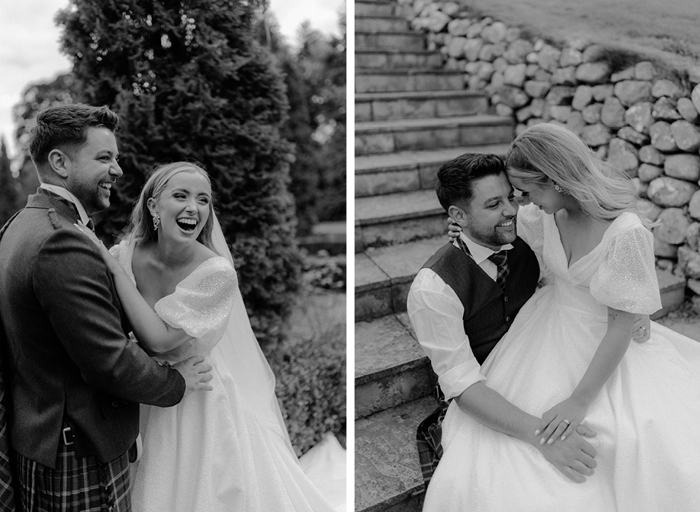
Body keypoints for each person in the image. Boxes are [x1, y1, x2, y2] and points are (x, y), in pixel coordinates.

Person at [425, 123, 700, 511]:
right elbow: (489, 226)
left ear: (557, 181)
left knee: (630, 438)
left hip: (608, 340)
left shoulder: (625, 232)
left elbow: (621, 321)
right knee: (498, 453)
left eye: (526, 191)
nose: (521, 202)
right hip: (546, 327)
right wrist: (459, 222)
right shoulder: (542, 217)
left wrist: (577, 400)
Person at [77, 161, 338, 511]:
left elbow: (161, 340)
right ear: (153, 206)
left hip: (198, 399)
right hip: (139, 391)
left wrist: (111, 269)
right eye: (180, 196)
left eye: (203, 200)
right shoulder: (124, 255)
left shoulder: (216, 273)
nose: (193, 208)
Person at [0, 104, 213, 512]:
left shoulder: (19, 225)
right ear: (60, 162)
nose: (117, 169)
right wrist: (177, 382)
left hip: (40, 436)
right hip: (78, 449)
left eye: (115, 157)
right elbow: (109, 360)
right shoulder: (60, 240)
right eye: (104, 158)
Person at [408, 153, 607, 487]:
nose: (512, 210)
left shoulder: (527, 231)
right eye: (493, 204)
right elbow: (462, 383)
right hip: (491, 387)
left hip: (547, 356)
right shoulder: (433, 289)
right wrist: (542, 436)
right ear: (458, 214)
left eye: (511, 197)